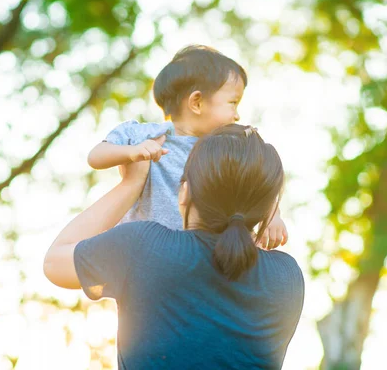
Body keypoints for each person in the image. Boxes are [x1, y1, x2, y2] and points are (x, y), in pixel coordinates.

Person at [44, 124, 304, 369]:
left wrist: (130, 185)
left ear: (184, 192)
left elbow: (54, 262)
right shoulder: (287, 277)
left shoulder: (144, 248)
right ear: (266, 208)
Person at [87, 45, 287, 249]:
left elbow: (254, 180)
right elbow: (96, 157)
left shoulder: (224, 152)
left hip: (198, 254)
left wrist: (272, 214)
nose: (237, 115)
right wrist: (131, 153)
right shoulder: (145, 135)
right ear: (197, 103)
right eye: (233, 102)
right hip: (143, 250)